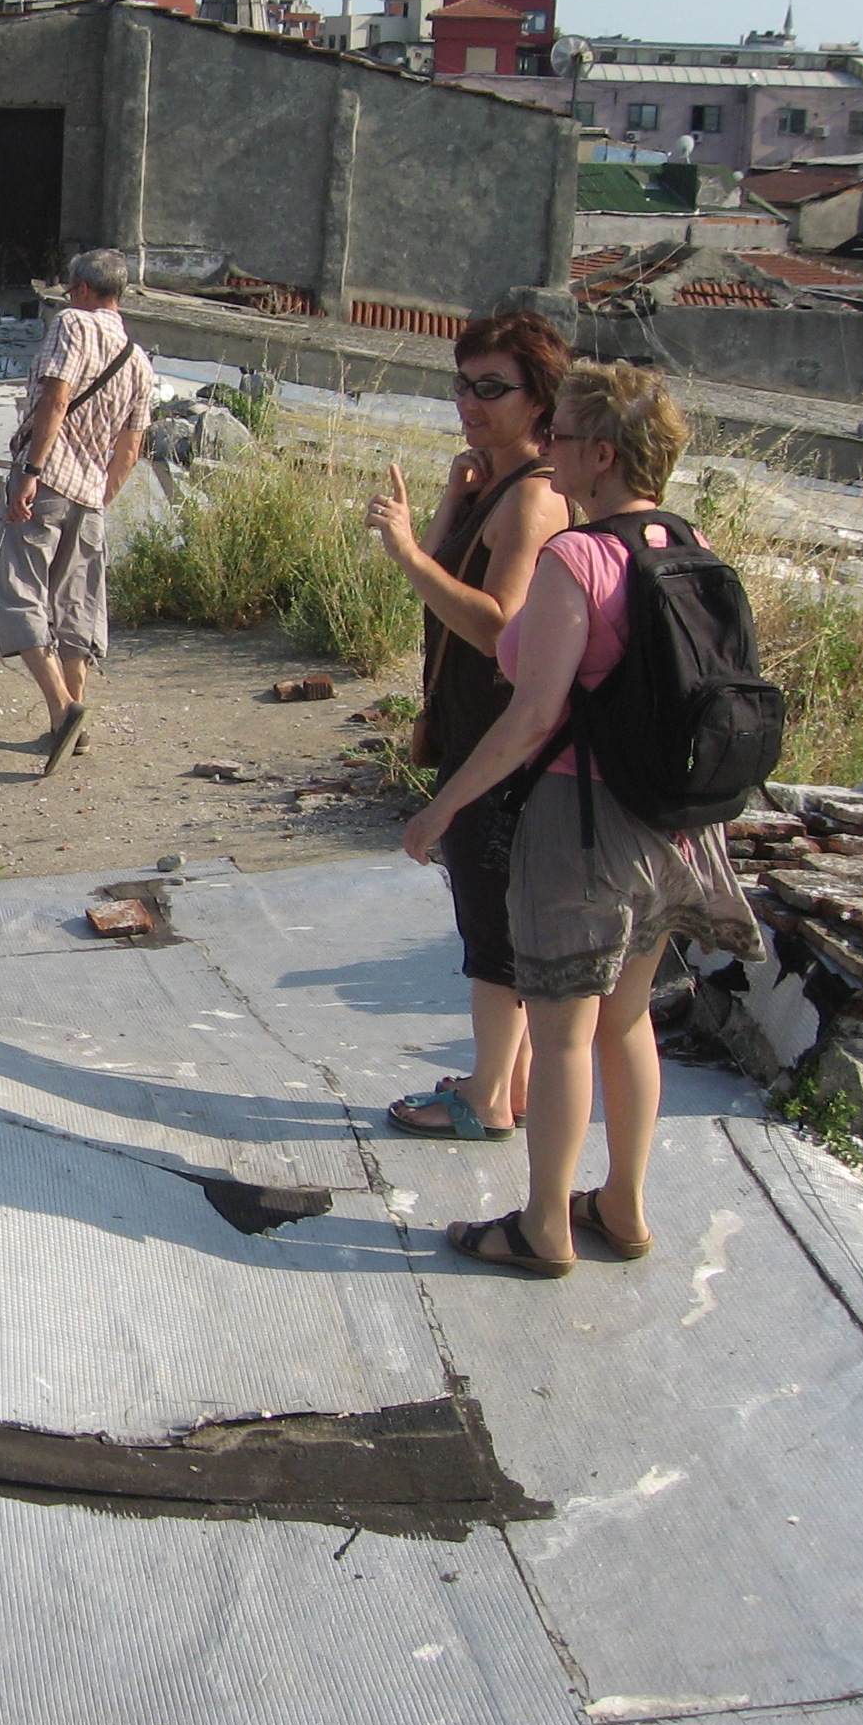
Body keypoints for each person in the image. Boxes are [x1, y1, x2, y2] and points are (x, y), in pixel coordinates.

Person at [401, 362, 765, 1276]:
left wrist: (444, 805)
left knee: (563, 1030)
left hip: (583, 821)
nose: (547, 447)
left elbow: (533, 716)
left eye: (560, 434)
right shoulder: (686, 541)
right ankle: (622, 1208)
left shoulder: (578, 558)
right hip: (671, 825)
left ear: (602, 455)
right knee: (627, 1019)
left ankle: (542, 1228)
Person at [364, 314, 571, 1144]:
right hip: (474, 731)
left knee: (491, 933)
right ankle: (506, 1082)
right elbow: (446, 580)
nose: (469, 403)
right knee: (495, 919)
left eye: (492, 389)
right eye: (462, 384)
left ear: (539, 398)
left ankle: (485, 1098)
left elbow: (496, 627)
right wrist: (453, 498)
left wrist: (408, 551)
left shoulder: (533, 500)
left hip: (499, 742)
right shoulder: (497, 484)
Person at [0, 248, 153, 774]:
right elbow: (130, 449)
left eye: (70, 288)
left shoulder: (71, 324)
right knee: (76, 605)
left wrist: (31, 472)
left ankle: (63, 710)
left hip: (48, 481)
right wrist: (99, 498)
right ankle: (74, 725)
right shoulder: (138, 359)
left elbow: (56, 400)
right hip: (89, 494)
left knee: (18, 592)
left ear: (83, 290)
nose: (66, 296)